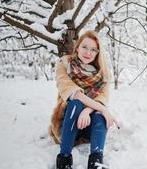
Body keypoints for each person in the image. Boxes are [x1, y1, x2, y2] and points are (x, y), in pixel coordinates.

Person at [49, 30, 118, 169]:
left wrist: (88, 110)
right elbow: (75, 94)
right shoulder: (64, 65)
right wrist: (103, 108)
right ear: (77, 47)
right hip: (67, 124)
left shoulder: (102, 75)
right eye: (85, 47)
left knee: (100, 114)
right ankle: (64, 159)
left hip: (88, 127)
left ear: (97, 53)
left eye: (93, 49)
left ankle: (96, 162)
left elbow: (101, 99)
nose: (88, 52)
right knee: (77, 103)